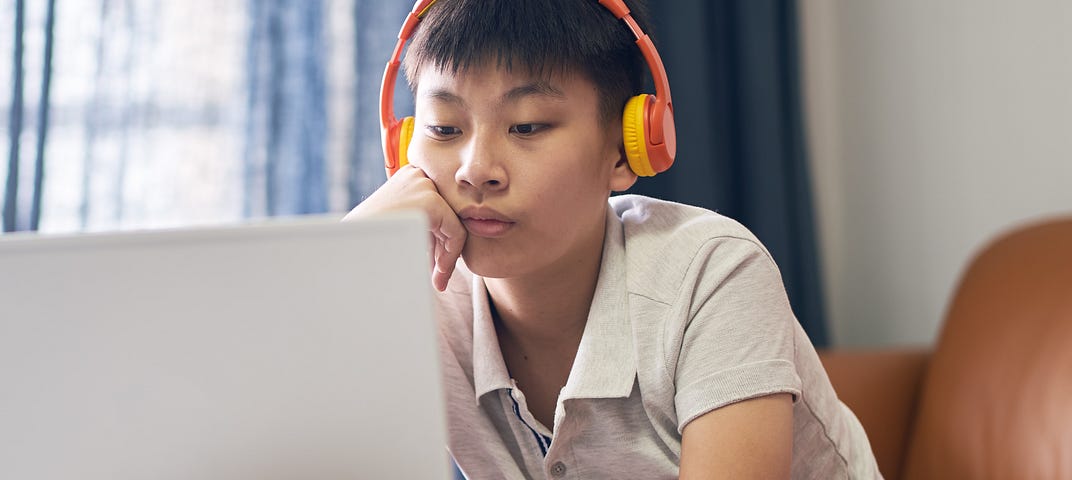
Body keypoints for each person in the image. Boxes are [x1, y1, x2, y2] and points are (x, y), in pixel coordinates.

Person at [344, 0, 879, 477]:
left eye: (527, 127)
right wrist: (351, 255)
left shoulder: (712, 274)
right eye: (443, 129)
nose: (475, 170)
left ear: (628, 149)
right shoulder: (421, 298)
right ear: (404, 145)